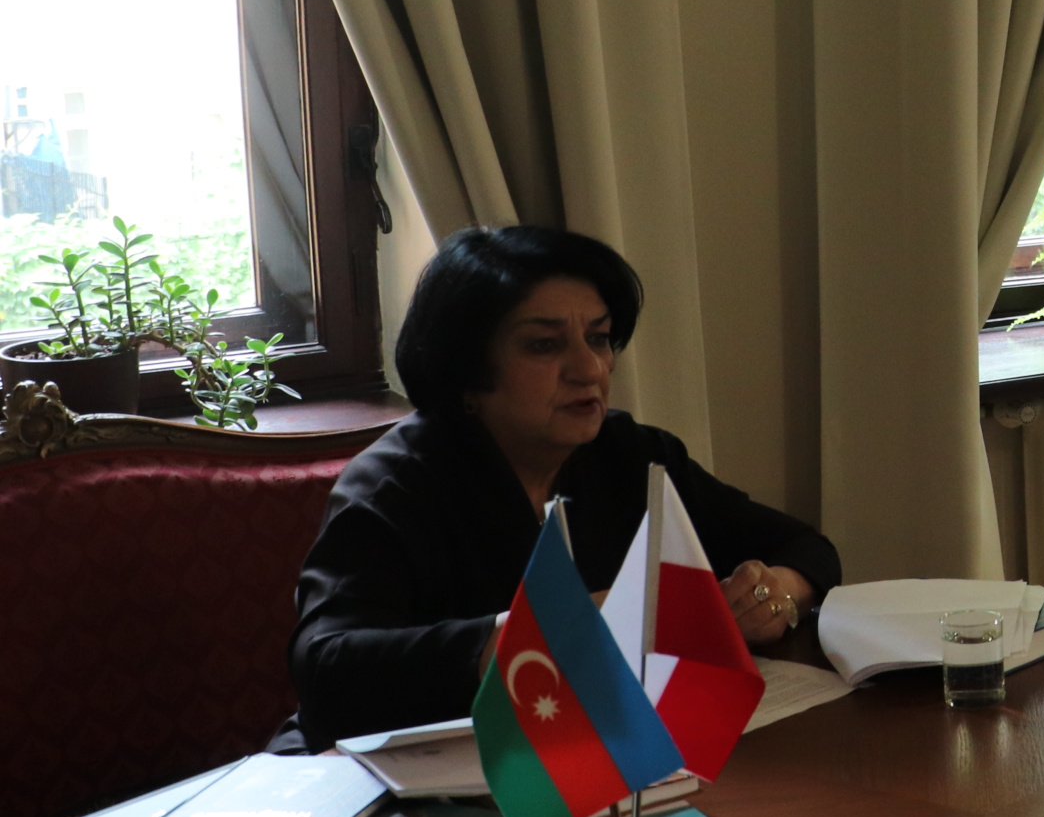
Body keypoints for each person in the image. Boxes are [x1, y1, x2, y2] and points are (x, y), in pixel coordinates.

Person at [279, 226, 842, 750]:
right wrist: (525, 637)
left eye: (599, 338)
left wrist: (777, 595)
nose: (589, 368)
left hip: (588, 752)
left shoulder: (629, 453)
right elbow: (327, 672)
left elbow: (805, 547)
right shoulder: (394, 485)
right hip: (386, 776)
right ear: (465, 368)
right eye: (544, 346)